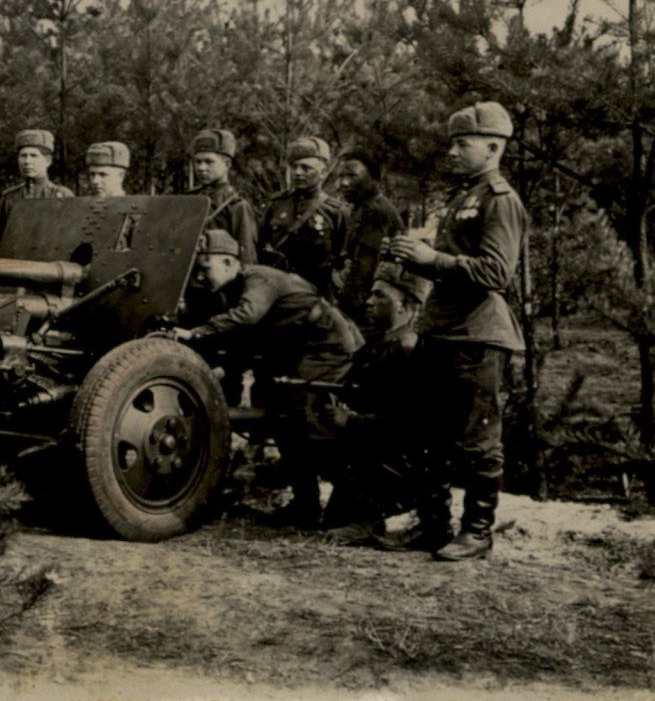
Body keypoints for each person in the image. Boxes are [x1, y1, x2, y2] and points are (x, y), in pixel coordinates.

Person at [379, 100, 527, 561]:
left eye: (462, 144)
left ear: (493, 146)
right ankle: (434, 526)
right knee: (428, 435)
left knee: (478, 439)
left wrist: (432, 260)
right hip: (441, 332)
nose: (452, 152)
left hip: (478, 337)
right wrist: (413, 251)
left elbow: (496, 273)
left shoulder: (500, 200)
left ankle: (478, 532)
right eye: (452, 143)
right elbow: (452, 261)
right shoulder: (464, 196)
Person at [175, 229, 364, 527]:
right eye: (197, 270)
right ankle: (306, 505)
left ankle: (350, 505)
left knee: (309, 418)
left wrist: (195, 332)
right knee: (280, 418)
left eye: (205, 268)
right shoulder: (234, 289)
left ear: (228, 263)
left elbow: (248, 316)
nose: (200, 277)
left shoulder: (257, 280)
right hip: (295, 348)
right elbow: (249, 338)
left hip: (326, 343)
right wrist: (222, 369)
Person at [315, 262, 432, 545]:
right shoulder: (380, 346)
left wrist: (350, 421)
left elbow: (406, 424)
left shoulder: (407, 350)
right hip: (377, 447)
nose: (369, 302)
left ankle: (371, 518)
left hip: (402, 459)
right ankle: (360, 511)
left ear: (405, 305)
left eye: (380, 296)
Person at [258, 137, 350, 304]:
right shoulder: (276, 205)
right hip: (277, 292)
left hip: (317, 295)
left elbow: (343, 260)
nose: (298, 173)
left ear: (323, 172)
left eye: (305, 168)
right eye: (294, 167)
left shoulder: (337, 212)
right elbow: (259, 246)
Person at [334, 151, 404, 326]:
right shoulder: (363, 207)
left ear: (373, 179)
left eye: (352, 176)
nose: (343, 183)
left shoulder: (373, 211)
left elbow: (363, 270)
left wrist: (344, 311)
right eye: (340, 176)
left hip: (368, 308)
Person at [0, 129, 73, 256]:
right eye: (23, 156)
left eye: (33, 155)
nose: (27, 161)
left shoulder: (63, 196)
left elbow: (70, 241)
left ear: (48, 161)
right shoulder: (9, 197)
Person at [187, 129, 259, 265]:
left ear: (227, 164)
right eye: (198, 162)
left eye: (209, 162)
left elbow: (247, 256)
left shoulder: (236, 205)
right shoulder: (190, 199)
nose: (201, 168)